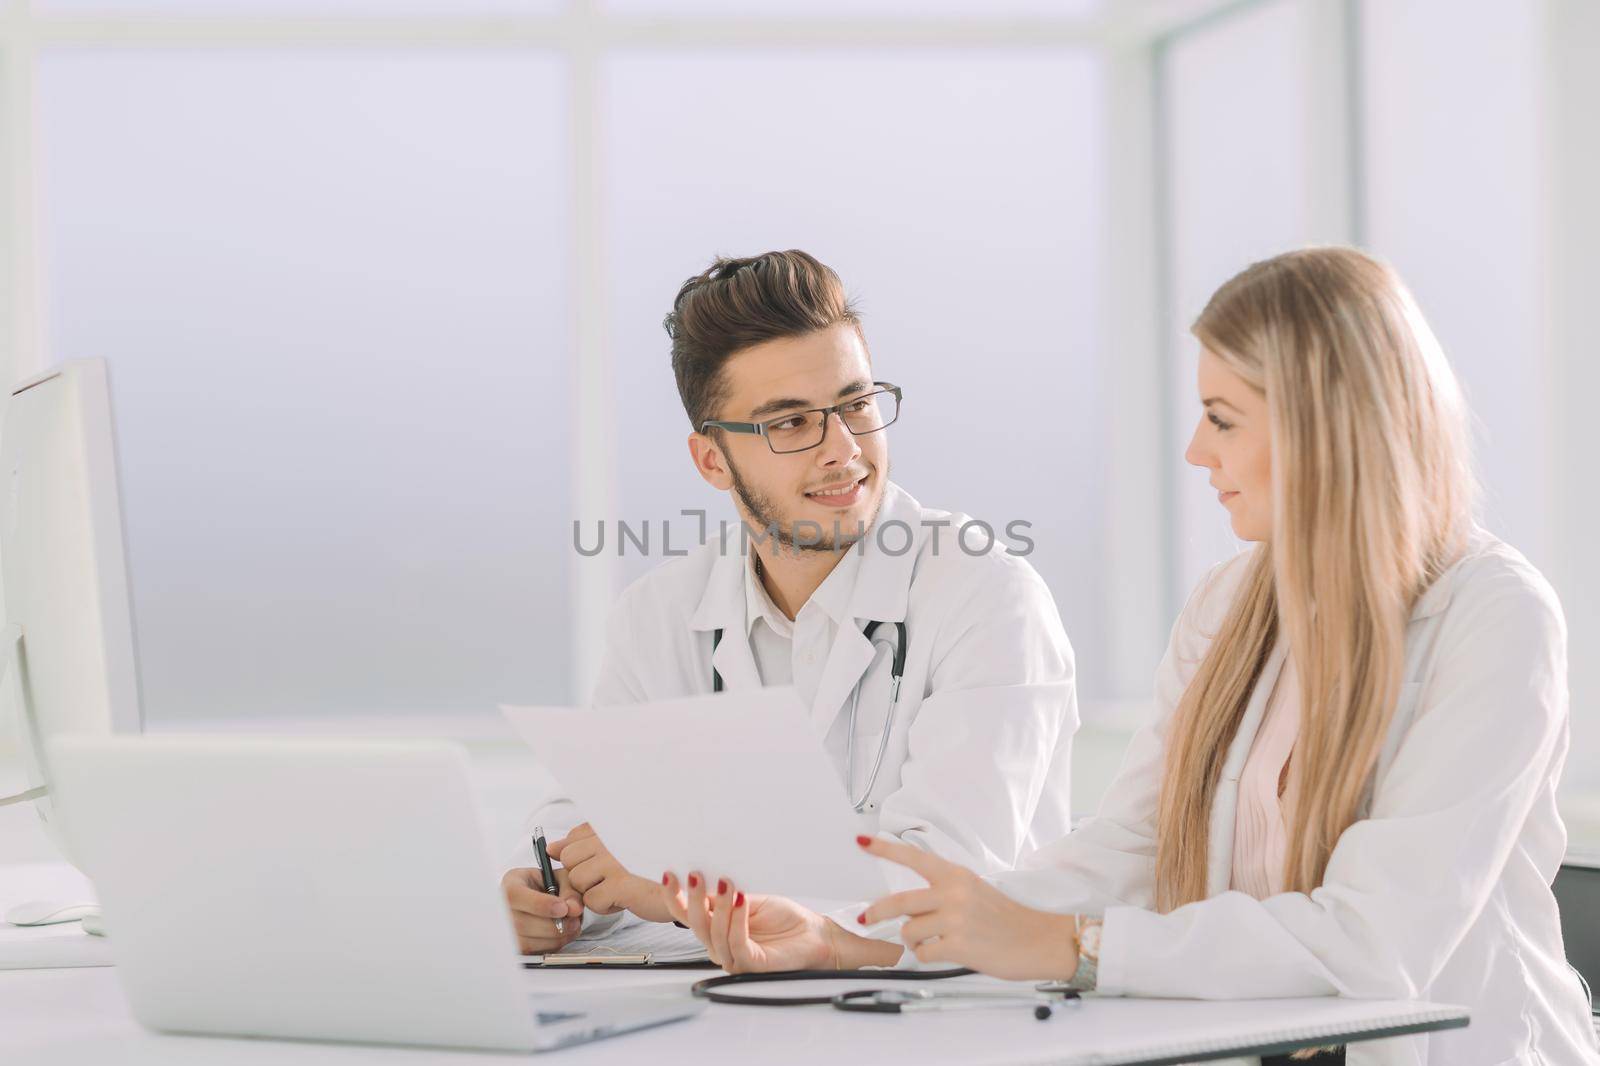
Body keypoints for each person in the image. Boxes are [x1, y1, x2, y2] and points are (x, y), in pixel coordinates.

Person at [658, 247, 1600, 1066]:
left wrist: (1072, 948)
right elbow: (1131, 850)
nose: (1195, 450)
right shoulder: (1231, 606)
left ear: (1325, 427)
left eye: (1224, 418)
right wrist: (854, 941)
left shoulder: (1492, 617)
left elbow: (1372, 944)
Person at [503, 249, 1077, 956]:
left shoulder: (987, 597)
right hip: (735, 1016)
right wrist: (554, 894)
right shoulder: (658, 616)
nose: (844, 450)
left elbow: (941, 883)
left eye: (857, 405)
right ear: (713, 460)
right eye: (791, 423)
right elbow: (588, 819)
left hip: (952, 1024)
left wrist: (666, 886)